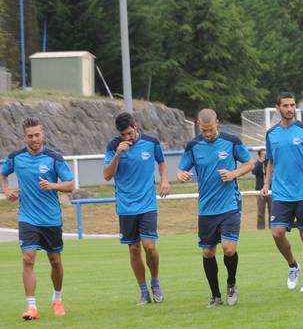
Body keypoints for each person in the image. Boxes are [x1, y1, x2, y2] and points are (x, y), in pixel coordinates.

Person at [177, 109, 254, 307]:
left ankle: (231, 283)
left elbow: (249, 163)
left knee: (228, 249)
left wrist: (233, 173)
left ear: (217, 123)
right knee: (208, 253)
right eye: (204, 130)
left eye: (210, 129)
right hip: (206, 208)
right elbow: (181, 168)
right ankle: (215, 295)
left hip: (229, 204)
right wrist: (181, 174)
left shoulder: (231, 141)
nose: (208, 134)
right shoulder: (193, 146)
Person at [3, 118, 75, 320]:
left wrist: (52, 186)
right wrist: (6, 190)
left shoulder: (54, 158)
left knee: (55, 261)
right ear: (24, 137)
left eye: (37, 135)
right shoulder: (16, 157)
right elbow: (3, 173)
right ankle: (32, 308)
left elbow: (70, 184)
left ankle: (57, 299)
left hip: (51, 218)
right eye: (30, 136)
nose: (34, 139)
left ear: (43, 134)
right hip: (27, 217)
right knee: (28, 258)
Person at [102, 111, 171, 304]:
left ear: (136, 126)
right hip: (126, 207)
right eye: (123, 135)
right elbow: (107, 175)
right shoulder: (113, 147)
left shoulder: (151, 142)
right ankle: (143, 291)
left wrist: (164, 180)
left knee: (149, 247)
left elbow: (162, 163)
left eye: (130, 133)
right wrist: (117, 154)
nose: (127, 138)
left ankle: (155, 283)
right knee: (134, 250)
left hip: (147, 203)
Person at [262, 91, 303, 292]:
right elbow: (270, 161)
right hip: (281, 193)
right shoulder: (271, 134)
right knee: (277, 233)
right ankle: (293, 265)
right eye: (285, 105)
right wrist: (266, 184)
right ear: (278, 108)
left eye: (292, 105)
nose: (289, 109)